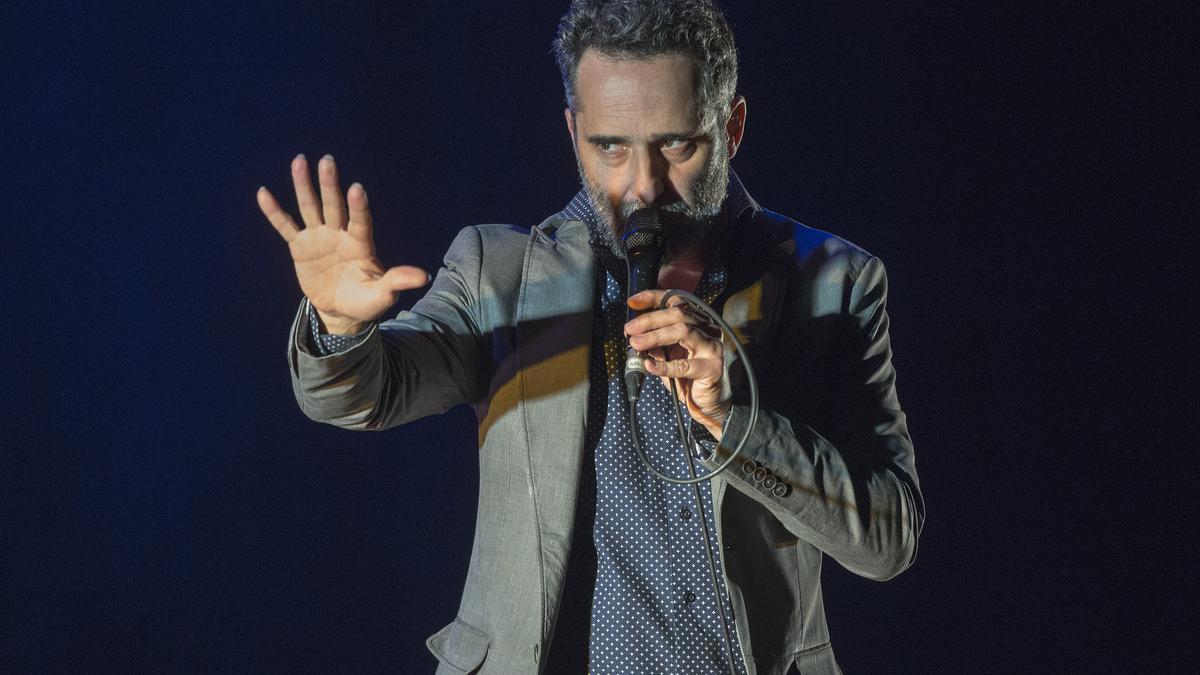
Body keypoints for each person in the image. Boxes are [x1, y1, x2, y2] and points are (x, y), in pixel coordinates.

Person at [256, 1, 923, 673]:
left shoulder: (834, 280)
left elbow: (888, 537)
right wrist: (340, 326)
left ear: (732, 127)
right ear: (574, 132)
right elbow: (365, 394)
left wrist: (738, 422)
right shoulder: (501, 273)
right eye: (610, 147)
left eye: (677, 145)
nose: (642, 186)